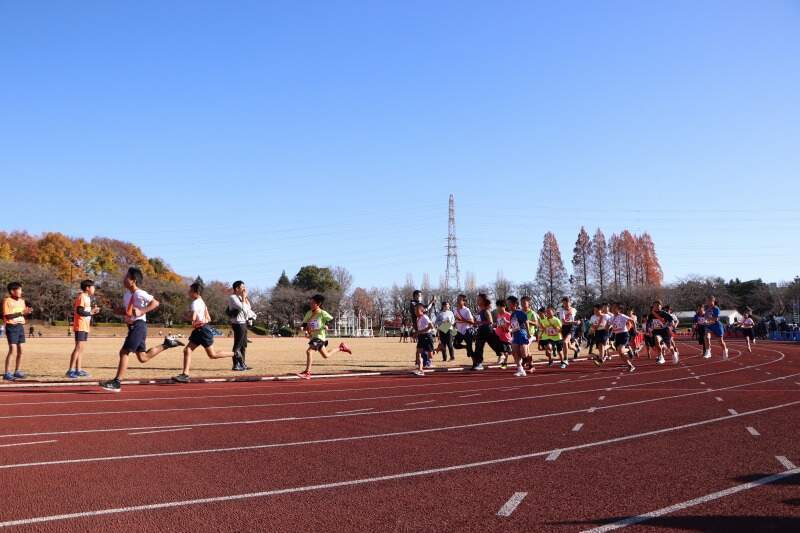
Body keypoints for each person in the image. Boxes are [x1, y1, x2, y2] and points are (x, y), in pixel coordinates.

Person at [99, 268, 184, 392]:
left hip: (139, 325)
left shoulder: (140, 293)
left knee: (124, 352)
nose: (124, 279)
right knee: (143, 357)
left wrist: (142, 311)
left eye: (126, 276)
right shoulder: (127, 294)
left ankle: (117, 382)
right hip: (133, 326)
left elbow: (156, 303)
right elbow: (129, 311)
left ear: (133, 280)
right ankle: (167, 344)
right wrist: (119, 311)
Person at [172, 283, 240, 383]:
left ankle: (235, 354)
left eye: (190, 291)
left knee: (212, 355)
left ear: (196, 292)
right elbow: (209, 318)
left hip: (202, 331)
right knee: (187, 350)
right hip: (200, 330)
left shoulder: (195, 303)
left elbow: (193, 318)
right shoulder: (202, 302)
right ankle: (185, 375)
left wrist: (184, 317)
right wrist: (201, 321)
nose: (188, 292)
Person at [297, 294, 352, 379]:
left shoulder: (322, 313)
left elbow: (332, 320)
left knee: (309, 351)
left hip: (319, 337)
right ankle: (341, 348)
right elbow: (304, 324)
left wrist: (326, 325)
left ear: (318, 304)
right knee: (326, 355)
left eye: (312, 303)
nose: (310, 304)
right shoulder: (309, 313)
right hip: (313, 337)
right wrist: (302, 328)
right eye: (310, 303)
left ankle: (307, 372)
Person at [67, 279, 100, 378]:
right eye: (93, 287)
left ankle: (78, 370)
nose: (94, 289)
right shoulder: (82, 297)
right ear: (87, 288)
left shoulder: (87, 298)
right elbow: (79, 311)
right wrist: (91, 312)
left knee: (81, 349)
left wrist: (93, 311)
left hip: (85, 325)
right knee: (78, 348)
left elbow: (86, 312)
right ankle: (70, 370)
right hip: (80, 325)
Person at [3, 282, 33, 381]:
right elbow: (8, 316)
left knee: (21, 350)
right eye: (19, 290)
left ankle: (17, 371)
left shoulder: (22, 301)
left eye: (21, 289)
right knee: (13, 349)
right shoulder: (7, 301)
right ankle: (7, 372)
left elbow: (23, 313)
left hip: (20, 326)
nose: (21, 292)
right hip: (11, 326)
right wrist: (21, 313)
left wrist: (28, 312)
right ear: (12, 291)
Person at [226, 280, 256, 371]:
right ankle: (235, 365)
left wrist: (245, 297)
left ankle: (242, 364)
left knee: (243, 345)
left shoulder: (240, 297)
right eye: (242, 287)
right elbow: (242, 307)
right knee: (237, 345)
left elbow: (248, 308)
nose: (244, 289)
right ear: (237, 288)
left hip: (243, 322)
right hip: (238, 323)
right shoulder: (233, 297)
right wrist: (243, 298)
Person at [647, 300, 677, 365]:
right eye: (655, 305)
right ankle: (661, 357)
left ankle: (674, 353)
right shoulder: (651, 315)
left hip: (665, 331)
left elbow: (671, 320)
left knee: (669, 346)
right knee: (657, 341)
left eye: (658, 305)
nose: (657, 307)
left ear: (661, 306)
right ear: (653, 306)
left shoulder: (664, 313)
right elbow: (648, 323)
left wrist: (672, 323)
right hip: (656, 331)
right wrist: (648, 330)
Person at [608, 303, 636, 372]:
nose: (613, 309)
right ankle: (630, 365)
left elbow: (632, 321)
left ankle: (628, 350)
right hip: (617, 336)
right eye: (612, 307)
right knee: (620, 353)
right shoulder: (612, 317)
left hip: (624, 335)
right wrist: (607, 331)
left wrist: (635, 330)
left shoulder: (622, 316)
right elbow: (608, 325)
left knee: (620, 350)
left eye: (615, 307)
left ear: (619, 309)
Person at [507, 296, 531, 377]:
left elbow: (526, 322)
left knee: (524, 353)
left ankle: (530, 360)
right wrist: (510, 331)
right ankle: (520, 369)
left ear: (515, 304)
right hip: (515, 334)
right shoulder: (512, 315)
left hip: (522, 333)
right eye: (508, 303)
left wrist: (528, 333)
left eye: (509, 303)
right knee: (514, 352)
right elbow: (513, 326)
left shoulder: (520, 313)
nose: (508, 305)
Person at [472, 293, 494, 371]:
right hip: (480, 331)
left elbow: (490, 321)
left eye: (479, 299)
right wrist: (475, 323)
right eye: (477, 299)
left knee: (495, 346)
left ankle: (505, 352)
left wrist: (480, 323)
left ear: (484, 301)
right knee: (478, 347)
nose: (477, 301)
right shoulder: (479, 311)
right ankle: (478, 363)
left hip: (487, 331)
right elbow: (478, 321)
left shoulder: (486, 311)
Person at [703, 295, 728, 359]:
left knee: (720, 341)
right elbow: (705, 318)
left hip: (717, 326)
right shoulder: (707, 310)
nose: (708, 302)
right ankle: (708, 351)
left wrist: (708, 321)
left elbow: (716, 319)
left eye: (709, 301)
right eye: (707, 301)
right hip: (709, 326)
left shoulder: (716, 309)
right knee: (706, 337)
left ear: (713, 301)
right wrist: (705, 321)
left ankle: (725, 349)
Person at [413, 303, 435, 376]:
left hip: (427, 336)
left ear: (422, 310)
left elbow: (431, 326)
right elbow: (420, 329)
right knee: (418, 353)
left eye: (417, 310)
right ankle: (420, 370)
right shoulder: (417, 318)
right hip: (421, 337)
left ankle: (433, 353)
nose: (415, 312)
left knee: (430, 355)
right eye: (414, 310)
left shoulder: (425, 317)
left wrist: (419, 332)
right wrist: (417, 334)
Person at [453, 294, 475, 361]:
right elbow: (453, 321)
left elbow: (472, 321)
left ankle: (475, 363)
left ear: (464, 302)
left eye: (459, 300)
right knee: (455, 345)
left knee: (470, 350)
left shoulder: (467, 310)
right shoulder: (455, 310)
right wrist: (443, 329)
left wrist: (461, 320)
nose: (458, 301)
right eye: (457, 299)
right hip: (459, 331)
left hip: (467, 331)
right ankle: (466, 347)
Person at [494, 299, 513, 368]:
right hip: (498, 335)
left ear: (504, 306)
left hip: (505, 336)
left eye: (499, 307)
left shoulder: (508, 315)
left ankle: (504, 363)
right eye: (497, 307)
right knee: (498, 347)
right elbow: (499, 324)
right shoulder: (498, 315)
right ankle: (502, 356)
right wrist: (495, 324)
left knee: (506, 352)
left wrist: (506, 324)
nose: (498, 308)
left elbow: (512, 324)